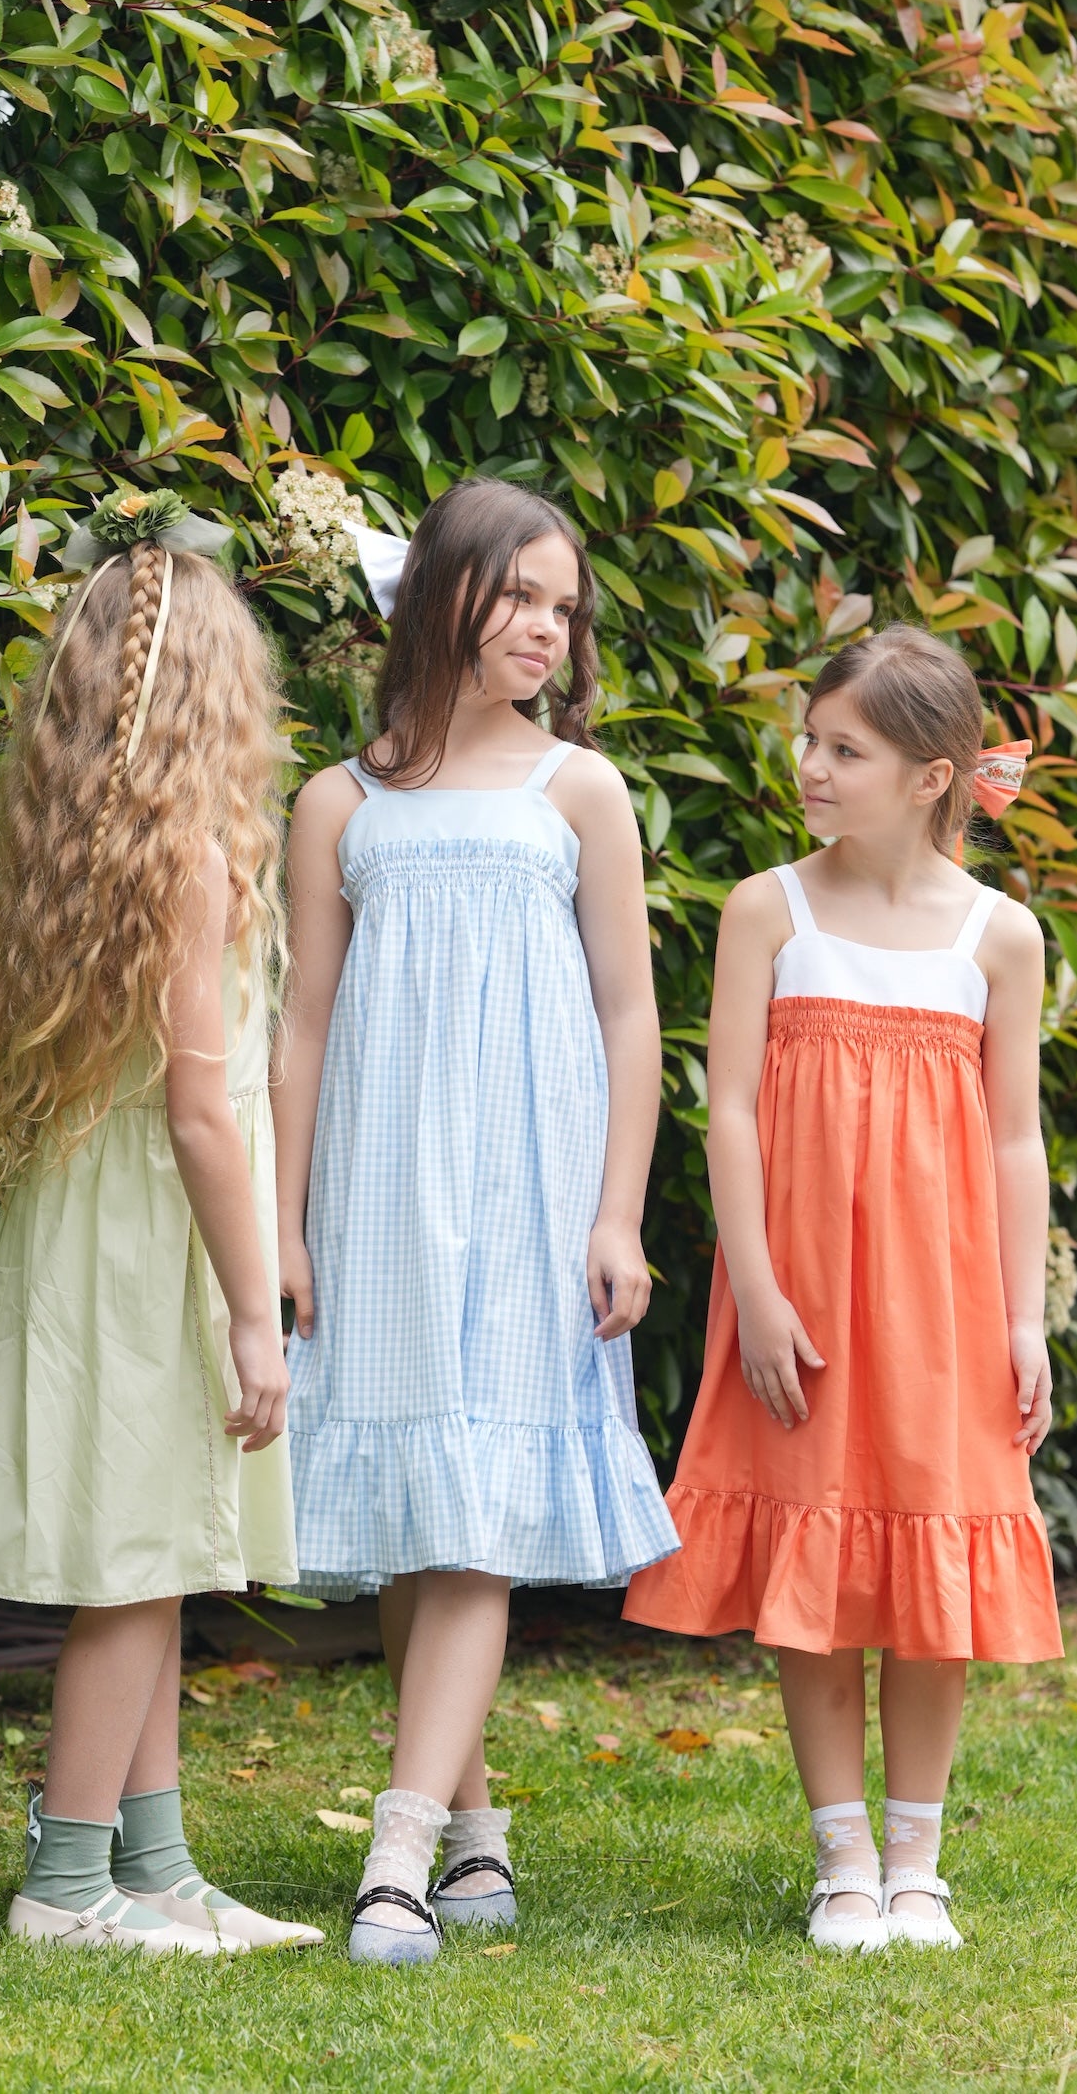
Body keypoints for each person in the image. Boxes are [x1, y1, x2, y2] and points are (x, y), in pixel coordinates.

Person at [273, 478, 679, 1964]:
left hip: (531, 1188)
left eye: (564, 609)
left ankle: (393, 1851)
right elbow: (303, 1028)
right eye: (520, 596)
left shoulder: (580, 791)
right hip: (378, 1188)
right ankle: (475, 1828)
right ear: (440, 594)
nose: (546, 630)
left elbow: (631, 1018)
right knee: (413, 1511)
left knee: (476, 1519)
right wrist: (286, 1227)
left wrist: (618, 1216)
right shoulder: (341, 800)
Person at [624, 624, 1061, 1954]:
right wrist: (753, 1286)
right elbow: (734, 1114)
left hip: (944, 1306)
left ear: (931, 777)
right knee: (812, 1572)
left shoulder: (1001, 936)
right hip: (800, 1299)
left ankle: (918, 1864)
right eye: (810, 740)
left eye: (843, 749)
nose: (808, 765)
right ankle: (842, 1860)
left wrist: (1024, 1315)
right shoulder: (771, 909)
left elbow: (1014, 1138)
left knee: (933, 1570)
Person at [0, 489, 322, 1957]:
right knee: (135, 1568)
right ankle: (68, 1882)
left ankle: (154, 1870)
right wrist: (246, 1306)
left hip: (93, 1234)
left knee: (151, 1553)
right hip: (160, 1244)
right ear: (220, 703)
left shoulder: (92, 859)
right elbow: (207, 1117)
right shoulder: (197, 868)